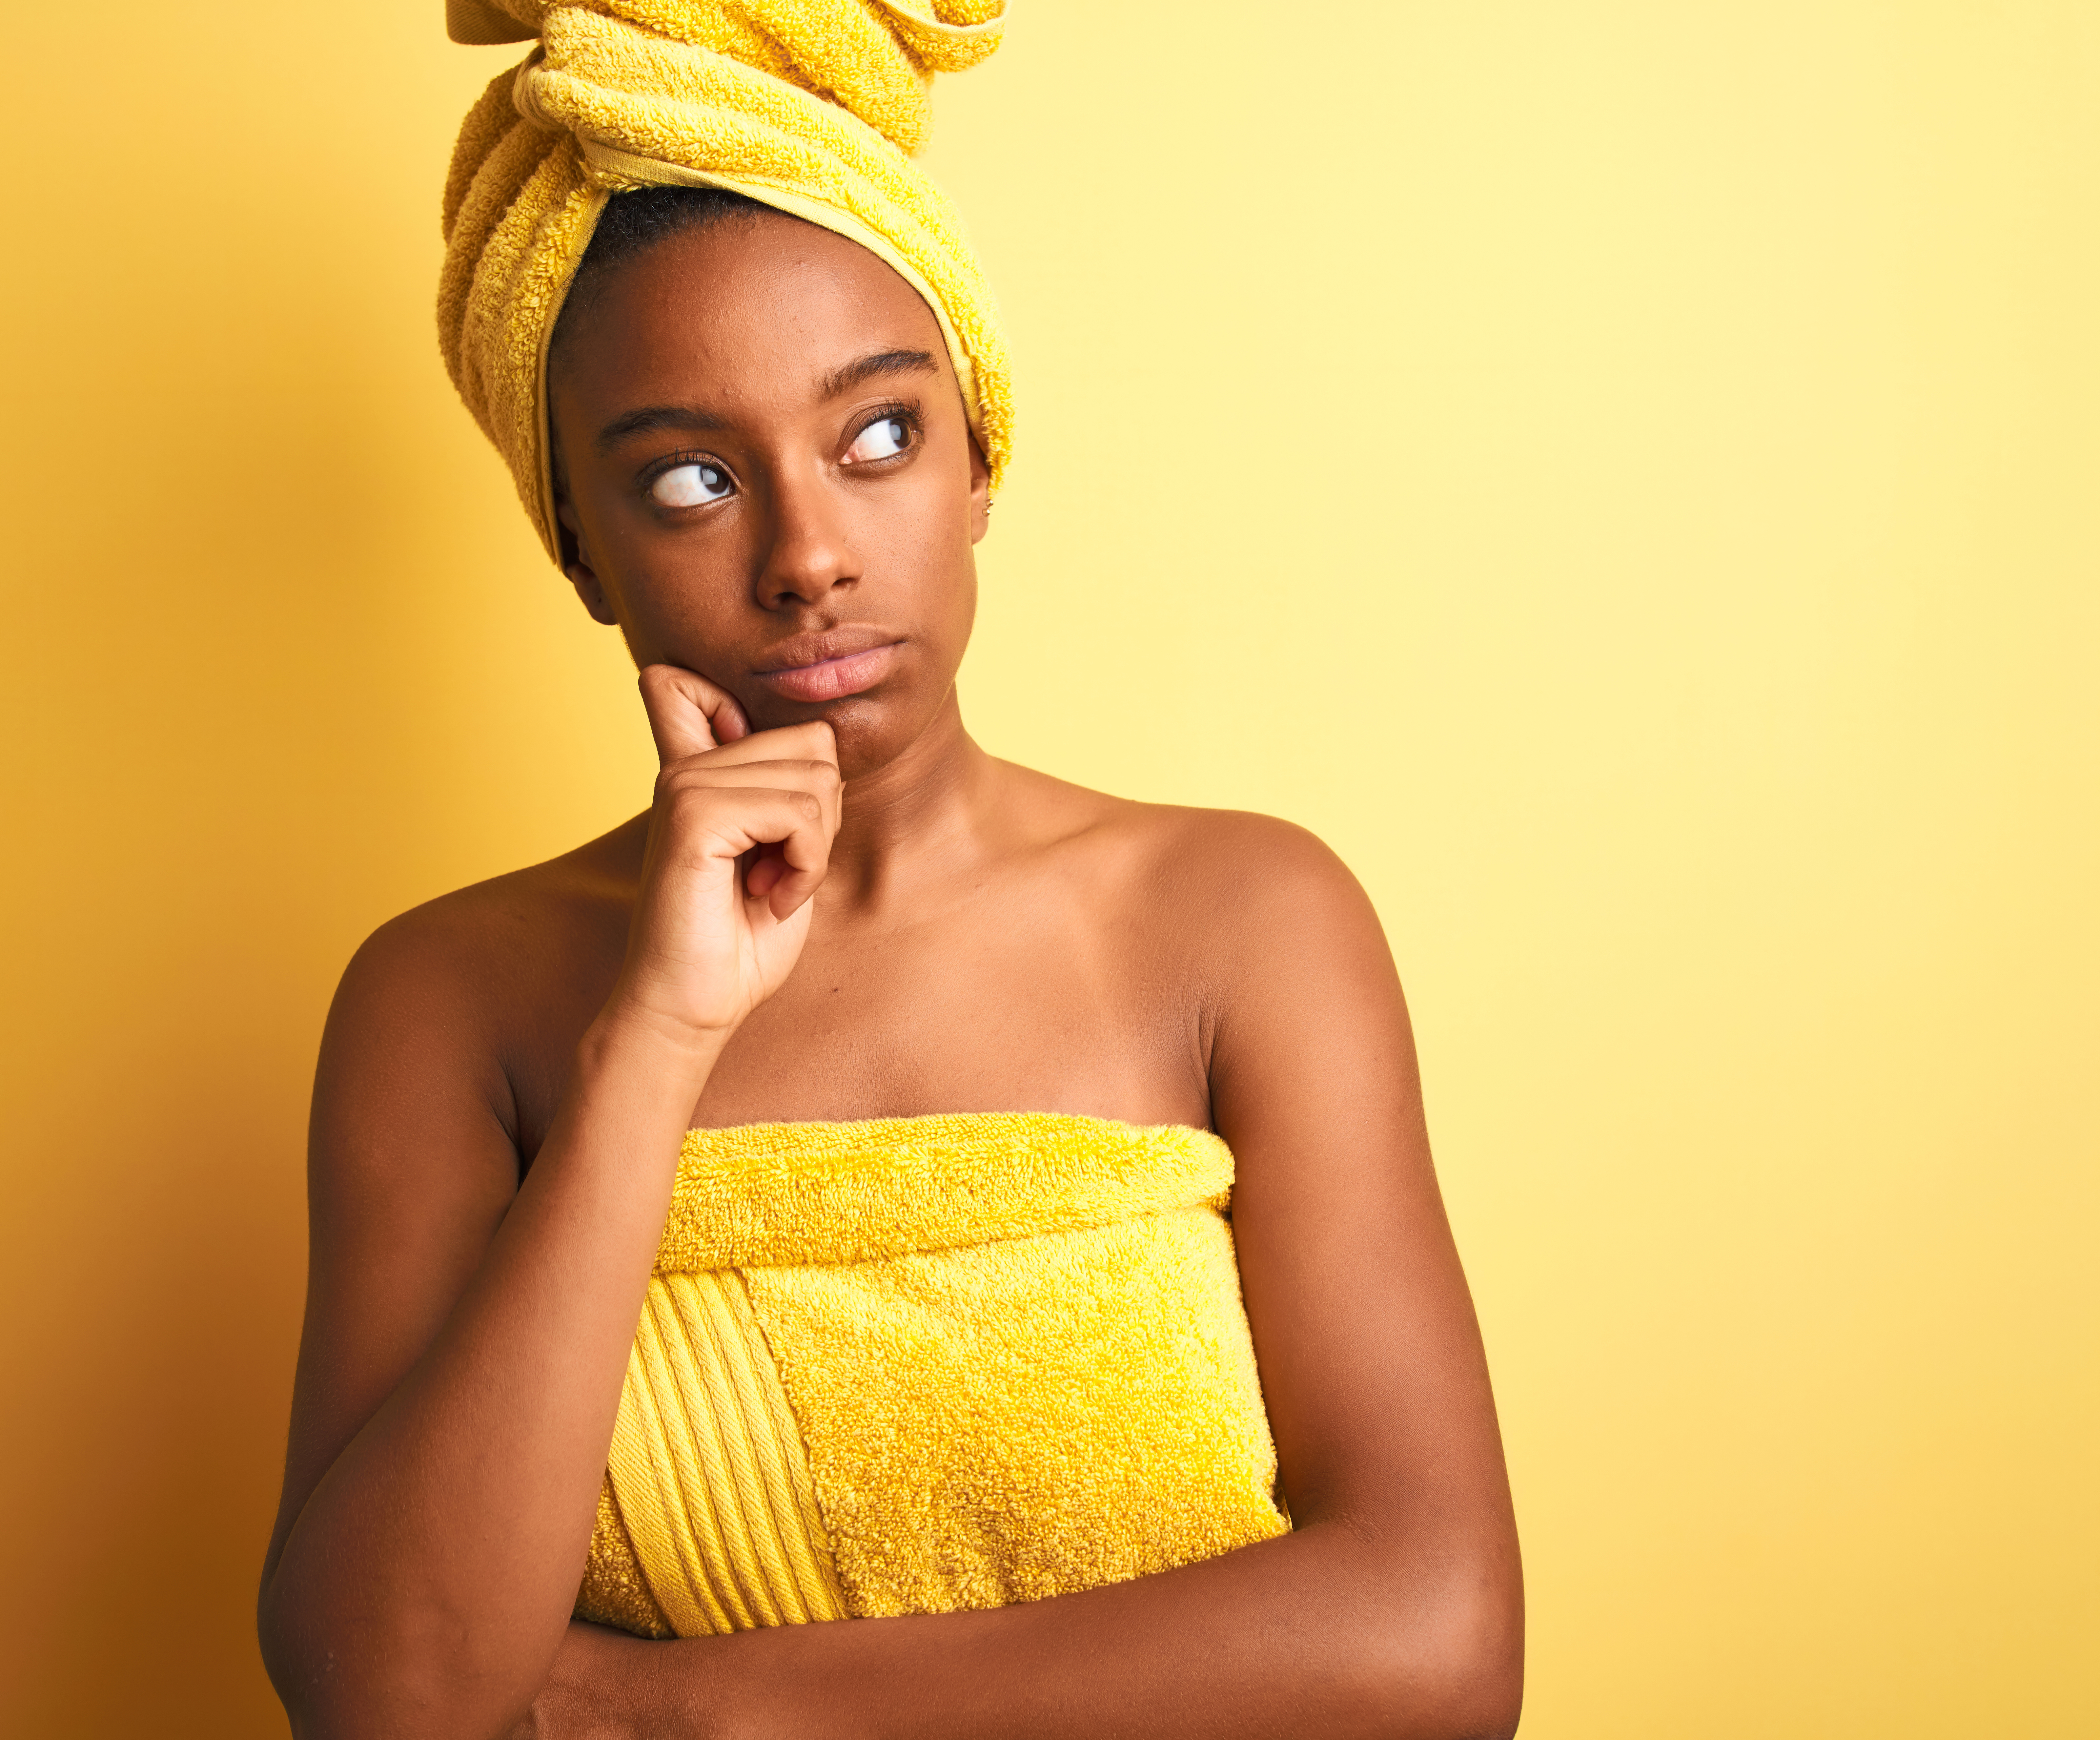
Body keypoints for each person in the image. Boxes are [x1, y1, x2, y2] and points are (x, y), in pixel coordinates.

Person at [258, 4, 1522, 1735]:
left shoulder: (1244, 924)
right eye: (692, 480)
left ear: (979, 459)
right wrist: (659, 1039)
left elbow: (1435, 1637)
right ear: (582, 550)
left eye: (877, 440)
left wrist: (722, 1711)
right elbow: (386, 1692)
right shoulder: (454, 1001)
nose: (809, 558)